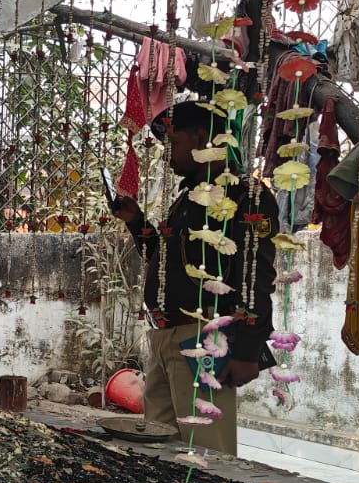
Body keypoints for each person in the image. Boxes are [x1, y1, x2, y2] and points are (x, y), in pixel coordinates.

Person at [111, 98, 278, 456]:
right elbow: (165, 261)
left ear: (201, 138)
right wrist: (136, 222)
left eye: (172, 142)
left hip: (204, 339)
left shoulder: (245, 196)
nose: (167, 154)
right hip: (165, 337)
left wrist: (248, 350)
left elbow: (256, 275)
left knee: (204, 455)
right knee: (158, 447)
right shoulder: (187, 197)